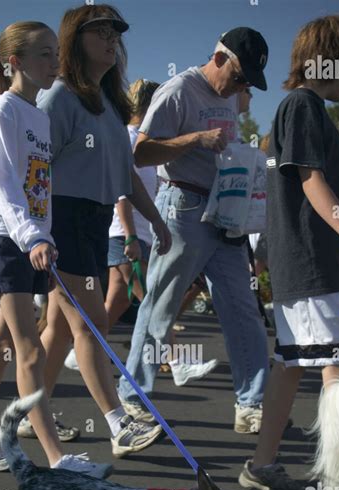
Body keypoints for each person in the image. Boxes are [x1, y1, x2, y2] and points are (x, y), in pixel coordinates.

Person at [0, 20, 111, 478]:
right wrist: (32, 236)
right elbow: (1, 185)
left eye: (55, 53)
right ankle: (58, 460)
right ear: (14, 61)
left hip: (31, 241)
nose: (54, 62)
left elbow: (39, 186)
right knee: (30, 350)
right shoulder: (3, 112)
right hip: (6, 240)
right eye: (43, 54)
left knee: (3, 345)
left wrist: (45, 235)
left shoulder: (37, 114)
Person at [238, 15, 339, 490]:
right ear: (333, 60)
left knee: (293, 364)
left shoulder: (317, 112)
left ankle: (262, 464)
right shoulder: (300, 105)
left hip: (309, 262)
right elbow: (310, 181)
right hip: (311, 259)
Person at [29, 5, 171, 458]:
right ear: (75, 40)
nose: (111, 41)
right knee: (89, 323)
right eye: (100, 33)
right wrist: (36, 232)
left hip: (94, 219)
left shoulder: (110, 105)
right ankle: (117, 423)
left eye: (115, 34)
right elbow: (34, 169)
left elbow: (126, 174)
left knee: (58, 329)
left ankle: (33, 415)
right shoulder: (58, 96)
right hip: (64, 220)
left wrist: (158, 221)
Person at [117, 27, 271, 434]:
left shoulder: (229, 97)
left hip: (224, 207)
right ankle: (133, 396)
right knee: (161, 305)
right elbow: (141, 152)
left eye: (247, 84)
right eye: (239, 78)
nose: (240, 89)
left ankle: (251, 403)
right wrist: (196, 139)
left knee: (243, 309)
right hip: (182, 204)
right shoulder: (178, 90)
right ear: (219, 58)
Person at [65, 77, 218, 386]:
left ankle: (78, 352)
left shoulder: (147, 141)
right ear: (149, 106)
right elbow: (122, 191)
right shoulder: (129, 138)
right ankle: (178, 362)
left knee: (119, 301)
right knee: (154, 299)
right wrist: (132, 235)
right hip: (124, 234)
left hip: (139, 234)